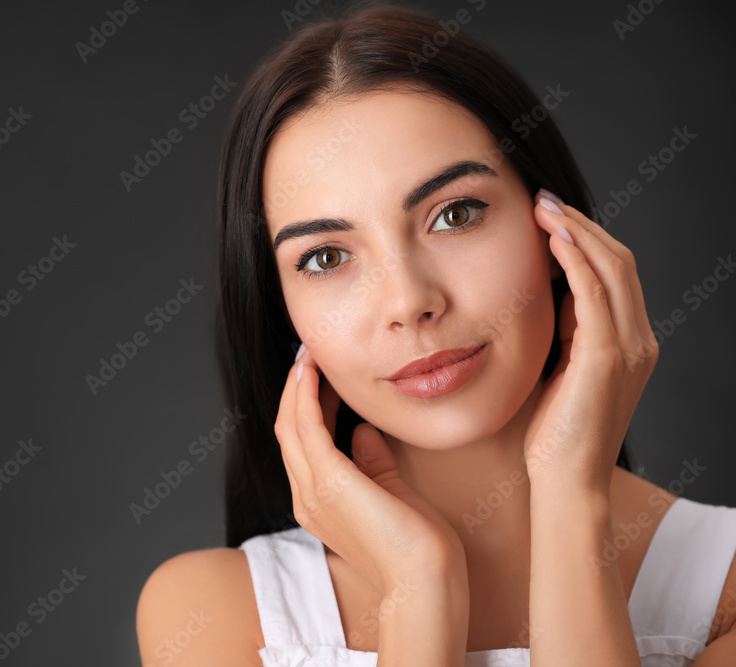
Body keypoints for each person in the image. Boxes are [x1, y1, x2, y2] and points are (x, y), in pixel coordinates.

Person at [136, 2, 736, 665]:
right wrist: (418, 588)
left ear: (560, 232)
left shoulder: (724, 589)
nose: (409, 301)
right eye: (327, 257)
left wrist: (572, 497)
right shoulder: (212, 614)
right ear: (282, 312)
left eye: (454, 214)